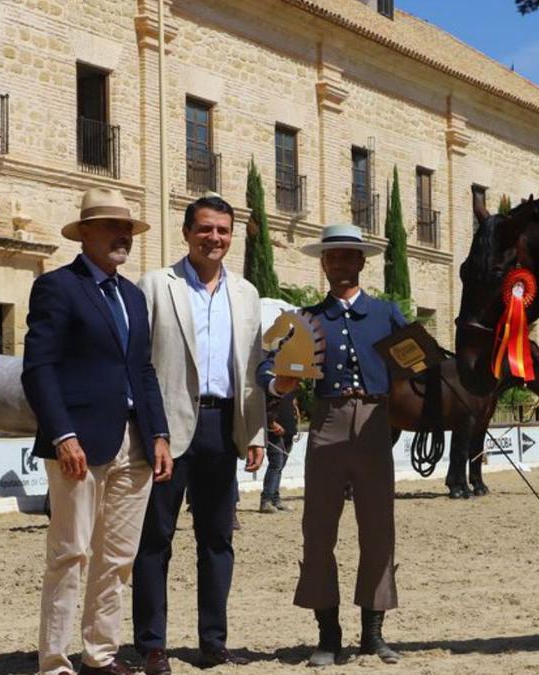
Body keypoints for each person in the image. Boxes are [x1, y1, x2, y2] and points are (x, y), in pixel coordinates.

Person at [22, 187, 173, 675]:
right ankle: (55, 661)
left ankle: (100, 654)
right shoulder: (57, 287)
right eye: (111, 226)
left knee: (119, 556)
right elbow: (39, 368)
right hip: (80, 442)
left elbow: (143, 371)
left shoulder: (132, 295)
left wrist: (160, 435)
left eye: (126, 228)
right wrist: (62, 434)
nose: (122, 236)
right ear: (85, 233)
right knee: (71, 553)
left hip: (136, 442)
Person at [132, 195, 266, 674]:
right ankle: (151, 645)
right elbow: (139, 365)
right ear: (187, 232)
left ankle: (214, 642)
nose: (215, 238)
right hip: (166, 431)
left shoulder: (247, 294)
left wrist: (254, 434)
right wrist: (152, 432)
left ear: (232, 236)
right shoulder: (155, 286)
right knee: (155, 540)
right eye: (206, 229)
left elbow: (251, 370)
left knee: (217, 540)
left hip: (222, 425)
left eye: (223, 231)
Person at [260, 224, 404, 666]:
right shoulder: (306, 318)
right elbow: (268, 365)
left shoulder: (386, 314)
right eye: (332, 257)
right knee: (318, 530)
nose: (340, 264)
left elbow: (416, 363)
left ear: (362, 262)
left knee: (378, 529)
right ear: (323, 264)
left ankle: (373, 633)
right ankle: (328, 633)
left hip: (376, 423)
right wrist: (279, 382)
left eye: (348, 256)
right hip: (327, 421)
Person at [260, 390, 299, 513]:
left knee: (280, 466)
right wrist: (271, 424)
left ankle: (275, 499)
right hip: (275, 432)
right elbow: (265, 407)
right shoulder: (271, 386)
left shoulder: (291, 386)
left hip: (288, 430)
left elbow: (293, 404)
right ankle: (266, 500)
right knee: (276, 464)